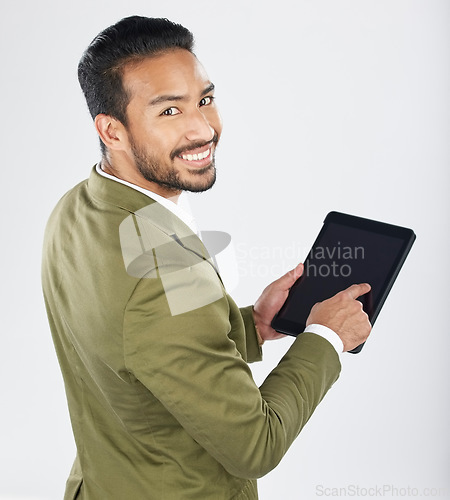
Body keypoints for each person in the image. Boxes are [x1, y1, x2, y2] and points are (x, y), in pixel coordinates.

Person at [41, 15, 372, 500]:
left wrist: (252, 325)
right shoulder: (162, 263)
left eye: (205, 100)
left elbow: (139, 346)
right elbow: (254, 446)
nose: (203, 128)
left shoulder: (78, 206)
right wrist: (326, 337)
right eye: (169, 112)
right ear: (112, 131)